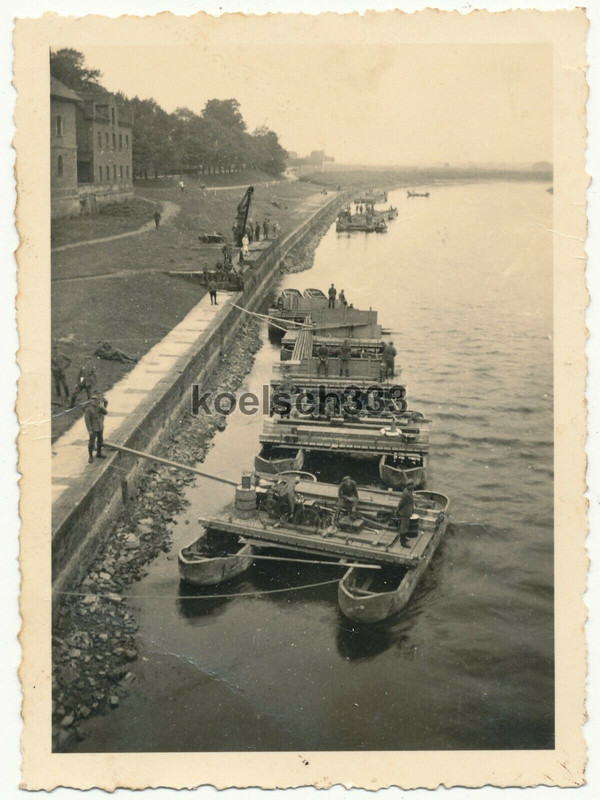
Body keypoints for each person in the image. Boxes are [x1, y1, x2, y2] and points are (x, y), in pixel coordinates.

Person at [84, 394, 108, 463]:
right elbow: (87, 420)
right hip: (93, 429)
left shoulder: (100, 408)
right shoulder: (88, 409)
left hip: (100, 427)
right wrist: (90, 430)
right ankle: (90, 456)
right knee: (91, 443)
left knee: (100, 441)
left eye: (96, 401)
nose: (95, 402)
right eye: (93, 401)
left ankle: (99, 453)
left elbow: (106, 413)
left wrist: (102, 406)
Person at [395, 481, 415, 547]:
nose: (413, 487)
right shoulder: (406, 493)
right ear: (408, 486)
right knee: (404, 527)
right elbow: (401, 503)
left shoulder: (409, 491)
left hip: (408, 511)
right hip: (405, 512)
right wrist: (397, 510)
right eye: (411, 485)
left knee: (406, 526)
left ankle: (404, 537)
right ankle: (403, 542)